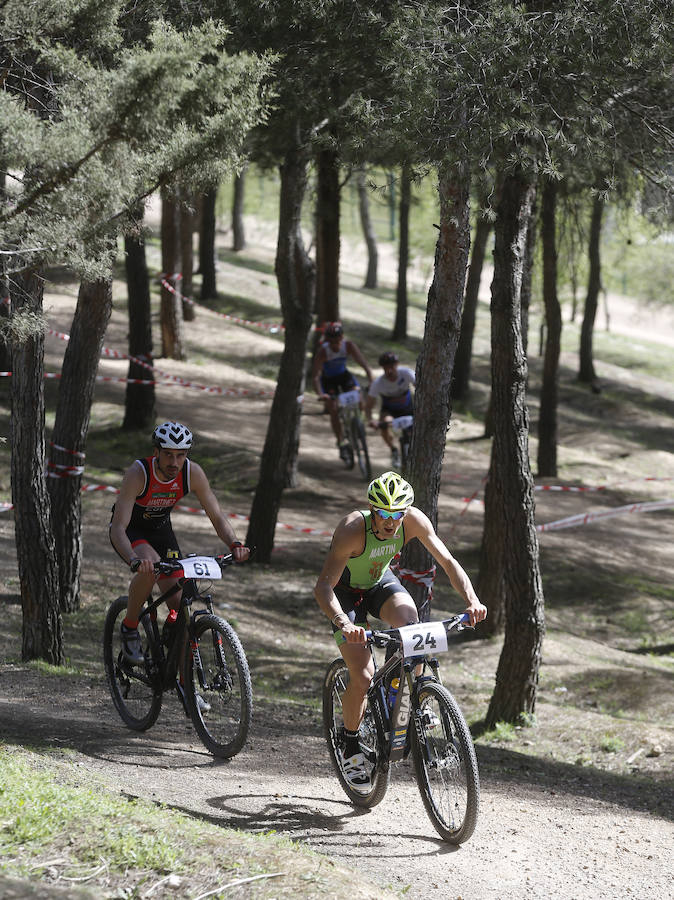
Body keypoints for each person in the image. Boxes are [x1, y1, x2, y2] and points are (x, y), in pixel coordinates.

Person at [313, 471, 486, 793]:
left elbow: (447, 561)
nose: (392, 522)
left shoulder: (414, 521)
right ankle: (350, 744)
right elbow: (323, 586)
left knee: (413, 630)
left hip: (379, 585)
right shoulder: (353, 528)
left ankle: (411, 701)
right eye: (384, 513)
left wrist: (472, 601)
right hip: (345, 595)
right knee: (363, 675)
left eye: (398, 514)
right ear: (372, 509)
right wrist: (344, 623)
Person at [109, 421, 250, 672]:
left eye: (181, 455)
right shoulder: (138, 473)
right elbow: (118, 527)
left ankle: (187, 689)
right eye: (168, 455)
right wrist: (132, 557)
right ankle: (129, 627)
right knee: (150, 566)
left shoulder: (192, 473)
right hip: (132, 530)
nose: (174, 462)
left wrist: (234, 543)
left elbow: (216, 515)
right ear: (156, 452)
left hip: (161, 531)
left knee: (181, 604)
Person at [311, 321, 373, 462]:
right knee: (333, 409)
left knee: (359, 396)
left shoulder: (349, 346)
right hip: (328, 381)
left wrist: (371, 381)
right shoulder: (323, 352)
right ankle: (341, 442)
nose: (335, 344)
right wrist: (321, 394)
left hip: (344, 377)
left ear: (342, 337)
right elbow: (316, 377)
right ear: (327, 340)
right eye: (332, 341)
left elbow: (365, 365)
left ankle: (358, 424)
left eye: (338, 340)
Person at [365, 350, 415, 469]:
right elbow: (368, 406)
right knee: (384, 424)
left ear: (397, 364)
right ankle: (393, 450)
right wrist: (371, 420)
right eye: (386, 367)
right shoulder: (378, 383)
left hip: (408, 408)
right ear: (382, 368)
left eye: (392, 366)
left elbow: (423, 388)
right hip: (390, 411)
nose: (389, 370)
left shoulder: (407, 373)